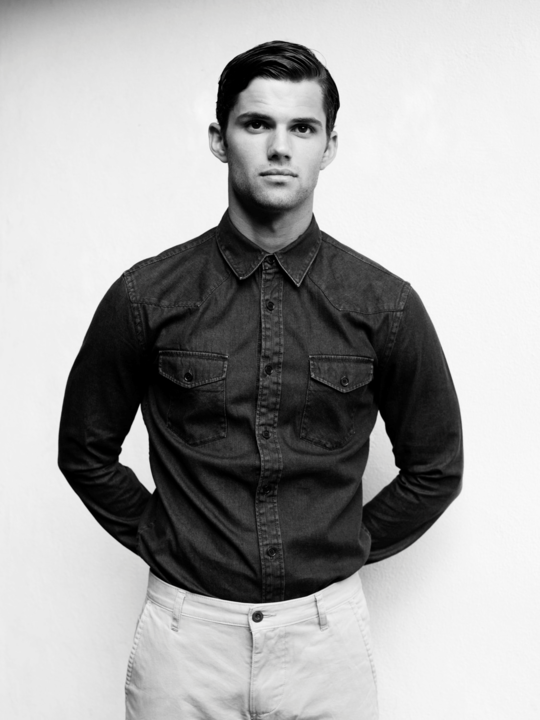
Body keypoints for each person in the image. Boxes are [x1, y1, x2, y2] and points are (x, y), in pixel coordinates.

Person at [58, 40, 463, 720]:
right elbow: (83, 450)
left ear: (329, 147)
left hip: (326, 643)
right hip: (185, 640)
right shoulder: (146, 296)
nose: (280, 147)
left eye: (302, 128)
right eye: (257, 124)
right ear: (220, 140)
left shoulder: (384, 305)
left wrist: (347, 542)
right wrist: (164, 535)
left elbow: (437, 468)